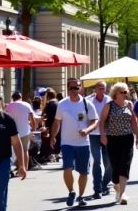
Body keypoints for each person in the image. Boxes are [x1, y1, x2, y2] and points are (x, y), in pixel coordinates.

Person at [50, 77, 97, 207]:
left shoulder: (87, 104)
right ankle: (71, 192)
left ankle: (81, 196)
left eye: (77, 88)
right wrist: (53, 136)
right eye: (72, 88)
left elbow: (95, 121)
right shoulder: (62, 104)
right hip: (67, 143)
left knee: (83, 172)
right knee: (67, 168)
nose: (74, 90)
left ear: (80, 88)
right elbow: (57, 122)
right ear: (68, 89)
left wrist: (87, 130)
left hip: (83, 143)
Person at [98, 82, 138, 205]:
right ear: (115, 93)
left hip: (127, 139)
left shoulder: (129, 105)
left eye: (126, 92)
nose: (125, 94)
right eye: (122, 92)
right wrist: (103, 135)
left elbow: (133, 121)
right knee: (115, 167)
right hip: (112, 139)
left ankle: (122, 194)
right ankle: (117, 187)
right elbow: (102, 122)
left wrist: (137, 137)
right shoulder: (109, 106)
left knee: (125, 165)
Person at [85, 82, 112, 199]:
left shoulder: (110, 100)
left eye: (103, 88)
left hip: (108, 135)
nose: (101, 90)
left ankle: (104, 183)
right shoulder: (88, 100)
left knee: (109, 162)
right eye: (99, 88)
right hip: (94, 135)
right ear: (95, 89)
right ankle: (97, 188)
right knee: (97, 161)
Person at [4, 91, 36, 172]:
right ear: (20, 97)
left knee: (15, 150)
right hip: (25, 131)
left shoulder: (9, 106)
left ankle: (18, 167)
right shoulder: (27, 105)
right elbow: (32, 118)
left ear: (12, 98)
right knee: (25, 150)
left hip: (13, 132)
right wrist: (33, 128)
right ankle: (25, 168)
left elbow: (6, 119)